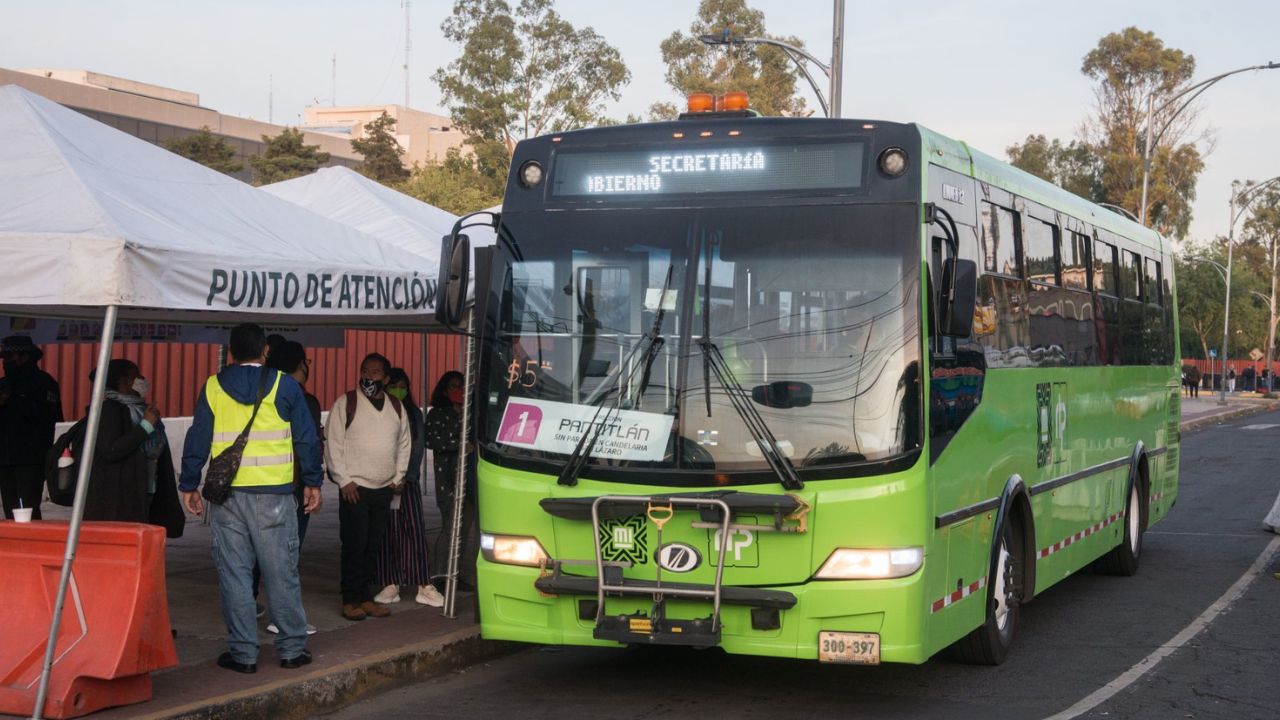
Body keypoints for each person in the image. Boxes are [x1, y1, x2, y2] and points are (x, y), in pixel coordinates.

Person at [179, 323, 323, 674]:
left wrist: (188, 484)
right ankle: (291, 649)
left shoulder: (213, 387)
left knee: (235, 574)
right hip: (274, 494)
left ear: (230, 352)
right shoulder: (285, 385)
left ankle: (243, 654)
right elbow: (306, 438)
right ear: (265, 351)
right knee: (281, 573)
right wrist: (313, 482)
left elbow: (198, 437)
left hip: (226, 497)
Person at [326, 353, 411, 622]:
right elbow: (333, 443)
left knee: (372, 545)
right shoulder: (346, 402)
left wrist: (398, 477)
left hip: (384, 487)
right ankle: (350, 598)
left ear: (386, 379)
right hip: (355, 488)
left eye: (375, 372)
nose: (369, 376)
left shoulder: (396, 407)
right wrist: (344, 480)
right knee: (354, 544)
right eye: (365, 371)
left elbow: (404, 444)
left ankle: (365, 596)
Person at [81, 359, 183, 536]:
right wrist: (146, 426)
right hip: (120, 493)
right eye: (136, 375)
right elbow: (111, 450)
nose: (142, 379)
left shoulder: (139, 408)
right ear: (123, 381)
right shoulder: (109, 410)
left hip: (145, 485)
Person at [261, 340, 322, 635]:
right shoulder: (299, 397)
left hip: (257, 483)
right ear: (301, 364)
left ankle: (250, 610)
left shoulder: (260, 392)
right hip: (292, 485)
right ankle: (283, 619)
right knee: (286, 553)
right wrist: (313, 482)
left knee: (252, 552)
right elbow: (307, 443)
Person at [373, 369, 444, 608]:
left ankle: (423, 584)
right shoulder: (378, 412)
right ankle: (390, 583)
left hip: (406, 483)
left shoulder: (412, 413)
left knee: (413, 532)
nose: (398, 390)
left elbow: (416, 449)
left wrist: (403, 477)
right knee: (386, 533)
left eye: (403, 385)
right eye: (394, 385)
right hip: (382, 482)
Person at [0, 336, 62, 520]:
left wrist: (14, 400)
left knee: (28, 509)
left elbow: (49, 418)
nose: (5, 362)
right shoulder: (3, 383)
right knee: (10, 510)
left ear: (25, 357)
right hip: (5, 458)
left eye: (9, 357)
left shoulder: (44, 383)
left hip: (31, 458)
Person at [424, 371, 473, 531]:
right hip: (446, 481)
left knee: (465, 530)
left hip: (470, 482)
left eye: (461, 387)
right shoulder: (436, 414)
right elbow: (431, 440)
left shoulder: (472, 414)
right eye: (453, 387)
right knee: (449, 530)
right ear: (444, 391)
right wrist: (460, 445)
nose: (458, 390)